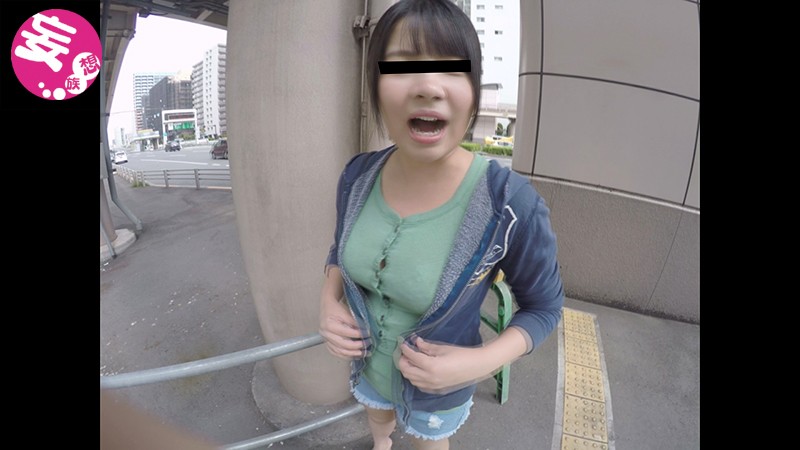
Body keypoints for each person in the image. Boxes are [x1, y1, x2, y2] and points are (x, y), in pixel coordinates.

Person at [318, 1, 564, 449]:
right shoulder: (357, 176)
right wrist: (327, 301)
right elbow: (340, 247)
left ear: (473, 91)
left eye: (452, 69)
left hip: (438, 393)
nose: (428, 87)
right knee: (377, 419)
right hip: (367, 366)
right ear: (375, 86)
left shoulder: (510, 204)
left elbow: (544, 308)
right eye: (401, 67)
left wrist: (480, 362)